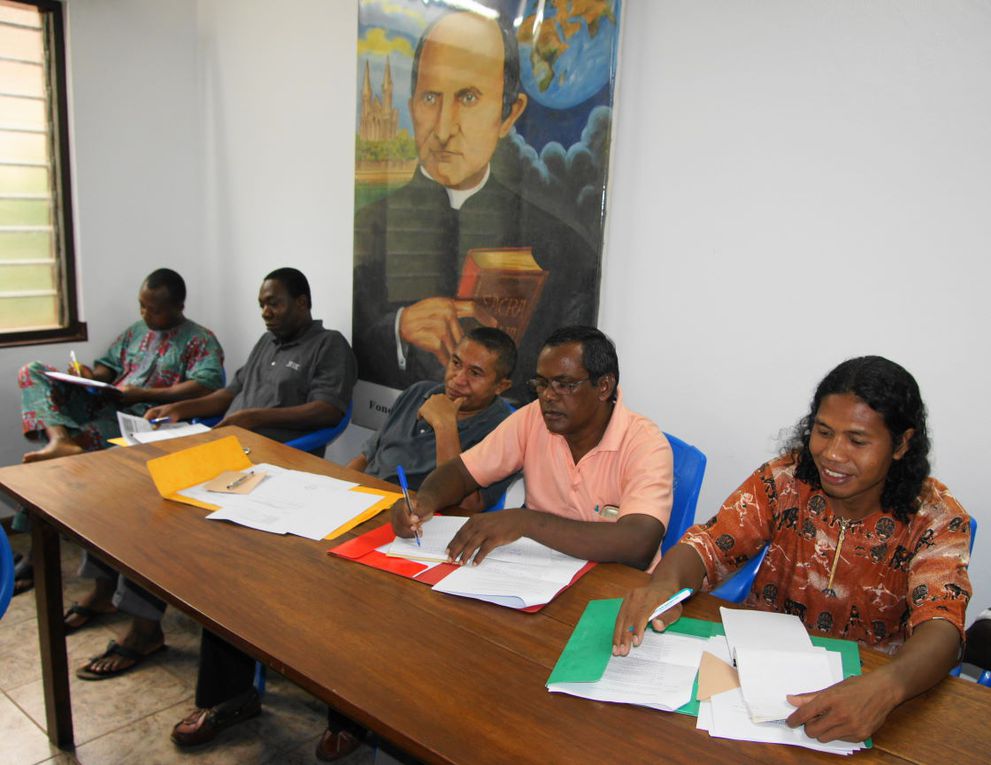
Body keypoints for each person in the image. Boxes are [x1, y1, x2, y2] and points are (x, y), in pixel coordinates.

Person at [612, 356, 972, 745]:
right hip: (751, 681)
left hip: (870, 687)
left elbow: (942, 626)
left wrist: (886, 688)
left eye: (857, 440)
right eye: (823, 431)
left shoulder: (935, 517)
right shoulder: (786, 479)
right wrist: (663, 585)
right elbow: (707, 546)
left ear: (901, 444)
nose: (832, 454)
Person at [70, 267, 356, 681]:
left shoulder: (328, 346)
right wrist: (179, 409)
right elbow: (228, 395)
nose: (265, 311)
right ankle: (106, 595)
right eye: (261, 303)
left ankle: (144, 629)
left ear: (302, 303)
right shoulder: (265, 343)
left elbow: (329, 410)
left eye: (273, 302)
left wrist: (251, 416)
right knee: (129, 497)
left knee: (161, 522)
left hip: (276, 464)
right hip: (229, 452)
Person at [353, 10, 599, 399]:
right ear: (411, 103)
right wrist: (398, 328)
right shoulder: (369, 226)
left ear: (509, 114)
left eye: (468, 97)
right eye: (431, 97)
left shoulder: (562, 246)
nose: (444, 128)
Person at [310, 326, 518, 759]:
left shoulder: (506, 426)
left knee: (357, 612)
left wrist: (445, 423)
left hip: (421, 535)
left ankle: (352, 716)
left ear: (502, 385)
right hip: (362, 510)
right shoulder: (419, 391)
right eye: (456, 363)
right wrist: (339, 486)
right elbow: (371, 450)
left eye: (476, 373)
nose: (458, 378)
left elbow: (468, 504)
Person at [392, 326, 673, 573]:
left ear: (603, 386)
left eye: (564, 385)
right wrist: (423, 502)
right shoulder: (533, 418)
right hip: (536, 575)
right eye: (542, 383)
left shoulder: (645, 445)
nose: (548, 396)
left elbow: (638, 545)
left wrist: (526, 522)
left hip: (611, 587)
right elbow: (461, 472)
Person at [13, 268, 224, 595]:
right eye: (141, 306)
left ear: (178, 306)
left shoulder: (200, 340)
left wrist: (142, 394)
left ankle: (35, 555)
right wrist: (88, 375)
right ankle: (60, 439)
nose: (145, 314)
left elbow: (206, 386)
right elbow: (107, 368)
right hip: (107, 403)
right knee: (32, 371)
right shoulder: (136, 331)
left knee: (55, 468)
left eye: (154, 309)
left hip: (141, 419)